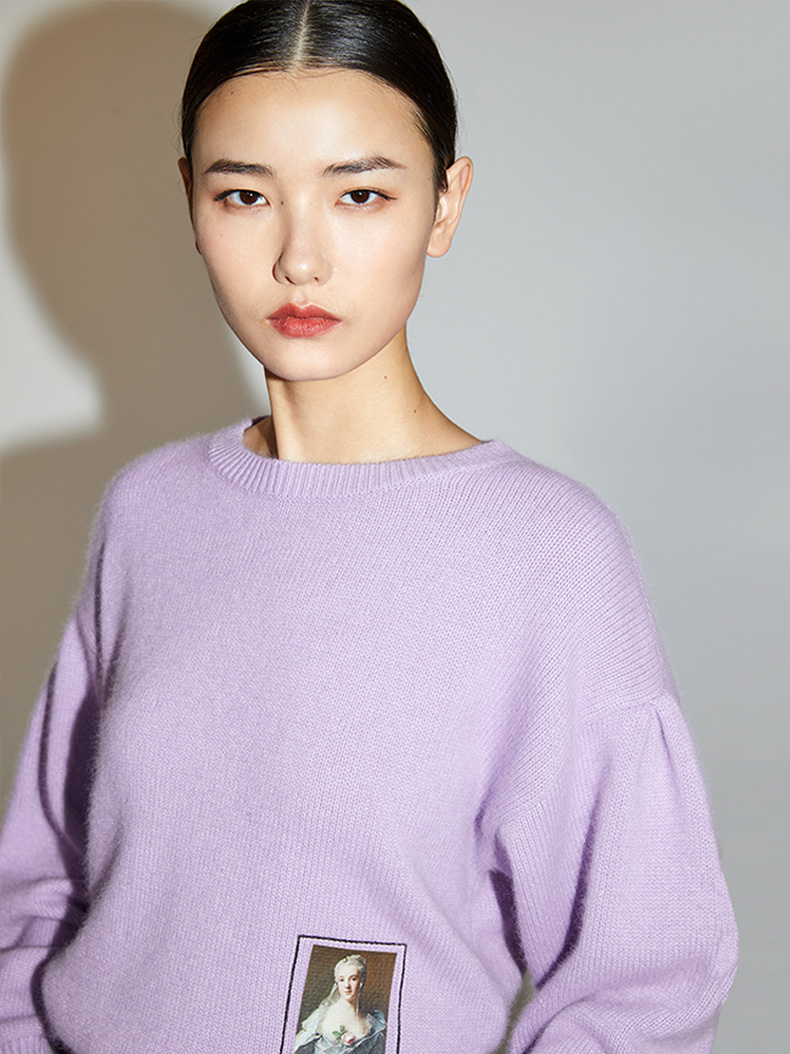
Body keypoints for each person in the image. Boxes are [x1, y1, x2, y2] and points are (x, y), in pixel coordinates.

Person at [0, 2, 737, 1052]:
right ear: (191, 202)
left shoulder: (547, 550)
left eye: (360, 193)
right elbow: (39, 892)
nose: (300, 259)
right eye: (246, 194)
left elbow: (645, 981)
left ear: (445, 204)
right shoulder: (147, 512)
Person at [294, 955, 386, 1053]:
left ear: (361, 982)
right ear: (337, 983)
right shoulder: (322, 1015)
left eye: (353, 979)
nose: (347, 985)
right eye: (342, 980)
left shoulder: (372, 1024)